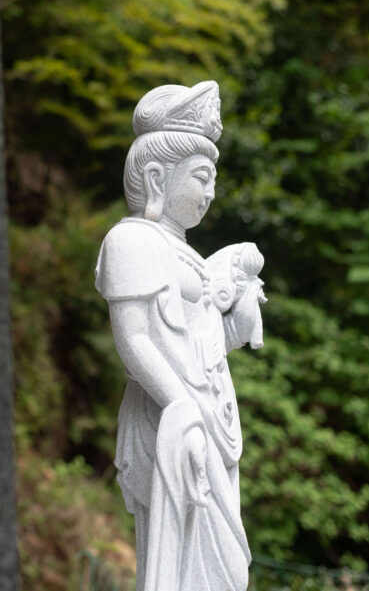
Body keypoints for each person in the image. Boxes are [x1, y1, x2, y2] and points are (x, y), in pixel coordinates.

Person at [95, 81, 265, 591]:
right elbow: (134, 340)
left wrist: (238, 320)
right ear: (156, 177)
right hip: (171, 416)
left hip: (210, 417)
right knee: (190, 561)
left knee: (226, 570)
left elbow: (202, 347)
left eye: (213, 180)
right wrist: (179, 405)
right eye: (200, 177)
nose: (210, 194)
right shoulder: (131, 240)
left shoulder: (188, 254)